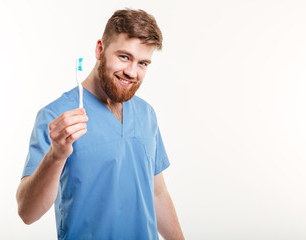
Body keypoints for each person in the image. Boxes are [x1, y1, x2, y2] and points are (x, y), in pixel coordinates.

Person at [17, 8, 184, 239]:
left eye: (143, 63)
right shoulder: (55, 117)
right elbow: (27, 213)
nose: (131, 72)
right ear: (100, 49)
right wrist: (56, 155)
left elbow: (157, 194)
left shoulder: (146, 114)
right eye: (124, 57)